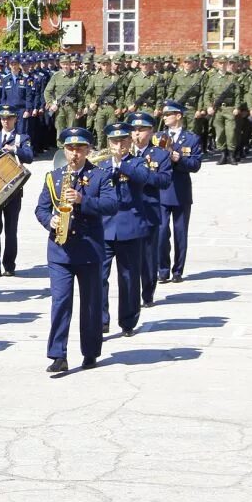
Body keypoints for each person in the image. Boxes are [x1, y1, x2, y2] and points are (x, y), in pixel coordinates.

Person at [36, 127, 117, 373]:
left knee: (91, 304)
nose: (74, 154)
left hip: (89, 249)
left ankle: (90, 351)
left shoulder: (101, 175)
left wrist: (83, 201)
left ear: (88, 150)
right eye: (70, 149)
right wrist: (48, 221)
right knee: (60, 302)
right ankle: (58, 354)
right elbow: (40, 208)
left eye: (80, 149)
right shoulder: (54, 176)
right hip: (60, 251)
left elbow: (111, 205)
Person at [97, 122, 159, 338]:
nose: (119, 144)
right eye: (114, 141)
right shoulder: (101, 165)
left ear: (130, 141)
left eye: (123, 140)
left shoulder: (139, 162)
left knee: (129, 278)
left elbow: (144, 179)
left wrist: (121, 164)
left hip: (130, 228)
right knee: (98, 278)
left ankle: (128, 320)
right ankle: (101, 319)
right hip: (103, 229)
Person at [124, 112, 173, 309]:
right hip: (127, 210)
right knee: (129, 257)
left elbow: (164, 181)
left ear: (151, 131)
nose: (137, 134)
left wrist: (142, 175)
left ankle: (148, 291)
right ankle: (131, 293)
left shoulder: (159, 155)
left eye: (141, 130)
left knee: (148, 255)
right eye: (134, 130)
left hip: (148, 209)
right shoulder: (123, 154)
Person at [155, 101, 202, 284]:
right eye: (164, 115)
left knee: (180, 233)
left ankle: (178, 270)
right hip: (162, 191)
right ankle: (163, 269)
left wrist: (178, 158)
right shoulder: (159, 137)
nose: (165, 117)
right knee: (161, 233)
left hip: (181, 191)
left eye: (168, 114)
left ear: (178, 116)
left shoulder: (191, 139)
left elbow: (196, 165)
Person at [0, 104, 33, 278]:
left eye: (9, 118)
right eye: (3, 118)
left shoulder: (22, 138)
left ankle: (9, 264)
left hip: (14, 191)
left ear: (15, 119)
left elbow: (30, 157)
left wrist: (15, 149)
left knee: (11, 230)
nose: (6, 121)